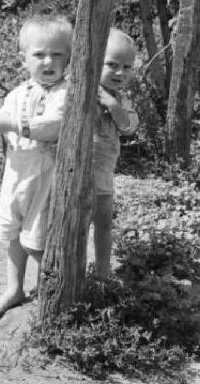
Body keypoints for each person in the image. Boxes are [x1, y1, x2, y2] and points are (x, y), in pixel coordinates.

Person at [0, 15, 73, 318]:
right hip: (16, 173)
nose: (48, 61)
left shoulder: (66, 91)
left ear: (68, 58)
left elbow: (54, 126)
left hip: (46, 175)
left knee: (37, 239)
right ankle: (14, 288)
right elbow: (1, 128)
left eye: (57, 54)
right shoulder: (16, 94)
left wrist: (12, 124)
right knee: (14, 233)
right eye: (39, 54)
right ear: (24, 59)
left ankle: (56, 293)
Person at [92, 28, 139, 279]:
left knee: (103, 225)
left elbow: (129, 126)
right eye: (112, 64)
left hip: (103, 177)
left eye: (127, 67)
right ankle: (72, 272)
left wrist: (111, 104)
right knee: (73, 227)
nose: (120, 72)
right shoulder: (80, 91)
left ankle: (102, 273)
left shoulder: (122, 100)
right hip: (73, 174)